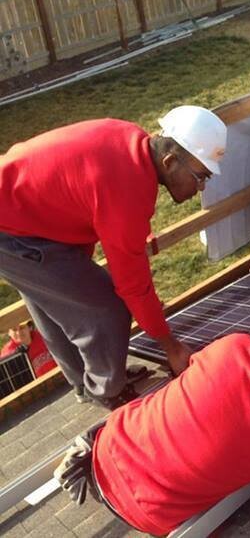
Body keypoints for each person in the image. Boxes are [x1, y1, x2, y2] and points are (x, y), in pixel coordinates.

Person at [0, 105, 227, 408]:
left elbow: (80, 197)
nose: (200, 187)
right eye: (200, 177)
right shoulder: (127, 187)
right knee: (107, 309)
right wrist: (170, 346)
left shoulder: (131, 141)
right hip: (13, 228)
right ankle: (106, 390)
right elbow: (131, 284)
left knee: (54, 302)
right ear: (171, 161)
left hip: (20, 211)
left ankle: (88, 383)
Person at [53, 313, 250, 536]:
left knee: (173, 394)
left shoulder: (234, 347)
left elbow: (195, 367)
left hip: (106, 447)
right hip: (146, 513)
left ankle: (93, 438)